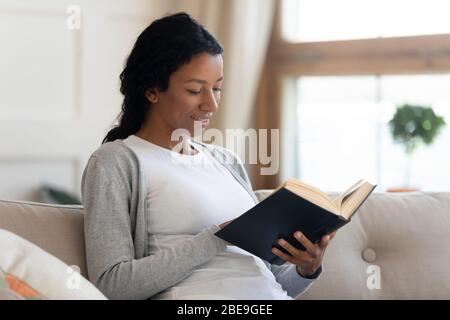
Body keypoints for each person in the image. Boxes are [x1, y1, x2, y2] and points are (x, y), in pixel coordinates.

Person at [81, 12, 336, 300]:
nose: (211, 104)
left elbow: (269, 280)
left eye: (217, 88)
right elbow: (111, 287)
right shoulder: (116, 162)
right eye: (195, 90)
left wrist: (307, 269)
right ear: (152, 90)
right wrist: (215, 238)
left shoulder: (226, 162)